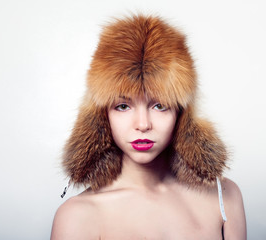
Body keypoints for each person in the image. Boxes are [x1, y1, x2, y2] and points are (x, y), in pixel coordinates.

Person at [51, 14, 246, 240]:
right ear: (102, 115)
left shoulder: (224, 197)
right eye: (123, 106)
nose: (142, 124)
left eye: (160, 105)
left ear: (182, 114)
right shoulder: (78, 217)